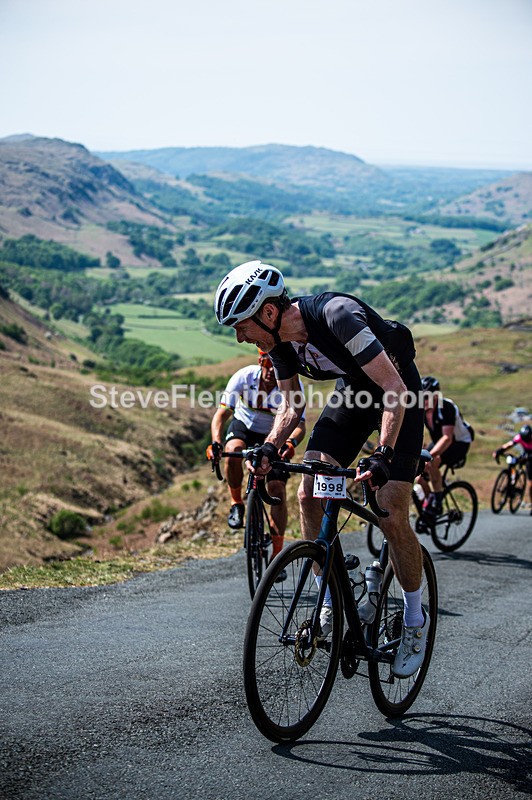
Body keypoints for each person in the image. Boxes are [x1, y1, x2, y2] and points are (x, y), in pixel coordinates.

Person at [214, 259, 428, 678]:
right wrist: (270, 446)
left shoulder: (337, 315)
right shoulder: (277, 344)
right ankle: (330, 602)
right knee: (309, 490)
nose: (240, 337)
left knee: (390, 510)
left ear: (269, 312)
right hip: (354, 394)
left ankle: (415, 621)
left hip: (398, 393)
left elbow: (393, 388)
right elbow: (292, 406)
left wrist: (383, 453)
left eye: (242, 326)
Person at [207, 348, 306, 563]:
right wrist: (215, 442)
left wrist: (291, 442)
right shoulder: (244, 377)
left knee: (277, 490)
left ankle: (277, 555)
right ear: (260, 362)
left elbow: (300, 426)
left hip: (275, 436)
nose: (270, 370)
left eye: (275, 365)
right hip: (244, 426)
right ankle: (236, 504)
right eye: (267, 364)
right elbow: (222, 414)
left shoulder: (291, 384)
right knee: (233, 451)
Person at [418, 375, 474, 517]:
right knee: (420, 478)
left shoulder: (446, 407)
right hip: (441, 440)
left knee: (432, 462)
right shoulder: (422, 409)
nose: (423, 400)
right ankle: (430, 504)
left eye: (427, 397)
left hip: (459, 443)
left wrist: (430, 456)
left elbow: (447, 438)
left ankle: (438, 503)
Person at [492, 424, 532, 514]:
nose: (525, 440)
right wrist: (499, 451)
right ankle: (511, 484)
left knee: (531, 482)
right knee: (513, 463)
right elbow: (509, 444)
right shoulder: (519, 437)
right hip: (526, 453)